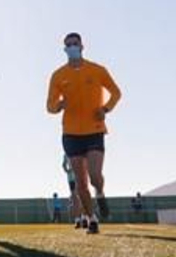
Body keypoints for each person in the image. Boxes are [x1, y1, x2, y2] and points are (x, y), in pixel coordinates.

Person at [46, 32, 122, 234]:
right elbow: (49, 106)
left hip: (94, 130)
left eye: (75, 44)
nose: (72, 47)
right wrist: (58, 105)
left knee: (95, 176)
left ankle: (101, 193)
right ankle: (92, 218)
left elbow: (116, 92)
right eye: (68, 45)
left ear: (82, 46)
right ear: (64, 49)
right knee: (80, 183)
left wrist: (105, 109)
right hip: (70, 134)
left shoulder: (97, 70)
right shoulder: (58, 75)